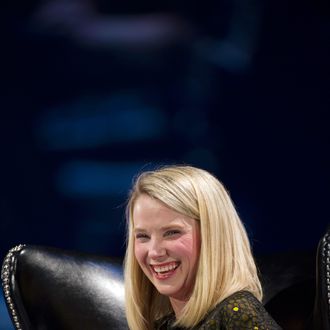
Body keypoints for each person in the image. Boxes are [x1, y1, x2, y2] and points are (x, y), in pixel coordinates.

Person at [124, 165, 282, 329]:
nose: (155, 252)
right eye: (143, 236)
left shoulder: (238, 314)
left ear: (213, 235)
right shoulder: (163, 326)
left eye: (172, 232)